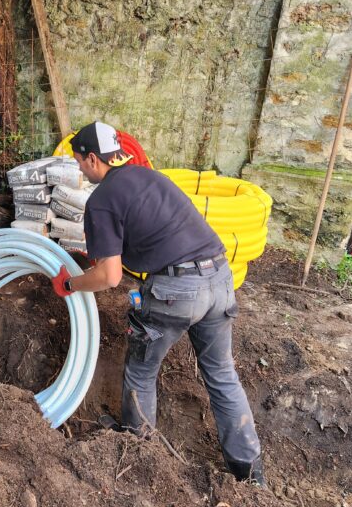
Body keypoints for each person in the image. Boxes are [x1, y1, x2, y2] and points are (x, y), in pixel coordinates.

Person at [51, 121, 265, 486]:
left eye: (78, 162)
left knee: (141, 369)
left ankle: (138, 450)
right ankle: (249, 470)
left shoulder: (101, 200)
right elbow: (156, 235)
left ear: (91, 159)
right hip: (219, 277)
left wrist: (70, 283)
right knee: (222, 373)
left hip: (178, 291)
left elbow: (110, 278)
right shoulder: (151, 178)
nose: (79, 170)